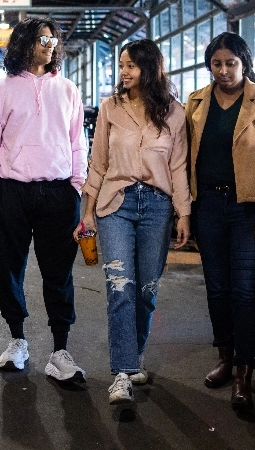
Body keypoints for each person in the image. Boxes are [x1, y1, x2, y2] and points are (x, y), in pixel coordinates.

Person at [76, 39, 191, 405]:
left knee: (147, 291)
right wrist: (87, 210)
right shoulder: (110, 108)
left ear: (150, 68)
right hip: (116, 204)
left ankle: (135, 356)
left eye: (131, 65)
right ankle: (122, 373)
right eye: (121, 65)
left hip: (158, 205)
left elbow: (178, 166)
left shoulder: (175, 112)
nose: (124, 72)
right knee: (120, 286)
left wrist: (183, 212)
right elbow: (99, 162)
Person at [0, 17, 88, 382]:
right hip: (12, 192)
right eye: (42, 39)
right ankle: (17, 341)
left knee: (59, 274)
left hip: (59, 193)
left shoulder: (69, 90)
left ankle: (60, 350)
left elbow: (77, 141)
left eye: (53, 40)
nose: (49, 45)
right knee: (10, 268)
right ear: (24, 43)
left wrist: (76, 184)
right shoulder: (1, 91)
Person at [185, 32, 255, 411]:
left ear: (243, 63)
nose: (224, 70)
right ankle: (225, 357)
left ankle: (244, 370)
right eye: (216, 63)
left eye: (231, 63)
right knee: (217, 288)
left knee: (245, 291)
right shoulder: (196, 102)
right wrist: (186, 211)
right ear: (209, 65)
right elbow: (183, 156)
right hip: (207, 205)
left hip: (247, 210)